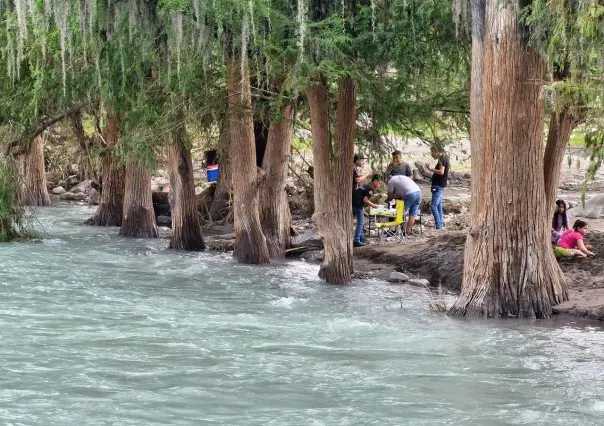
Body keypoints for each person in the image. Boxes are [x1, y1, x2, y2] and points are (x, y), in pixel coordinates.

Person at [352, 175, 382, 247]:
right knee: (361, 223)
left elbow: (360, 196)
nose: (379, 185)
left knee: (361, 222)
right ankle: (356, 240)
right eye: (379, 183)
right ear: (375, 181)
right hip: (357, 204)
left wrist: (363, 210)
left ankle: (361, 238)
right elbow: (365, 200)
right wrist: (374, 205)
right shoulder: (370, 189)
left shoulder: (366, 185)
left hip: (355, 203)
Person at [426, 145, 449, 230]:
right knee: (439, 205)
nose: (431, 154)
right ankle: (440, 224)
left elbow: (441, 172)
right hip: (440, 185)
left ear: (437, 151)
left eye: (432, 151)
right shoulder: (444, 158)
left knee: (433, 206)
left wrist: (431, 169)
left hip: (438, 185)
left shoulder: (442, 158)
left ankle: (438, 226)